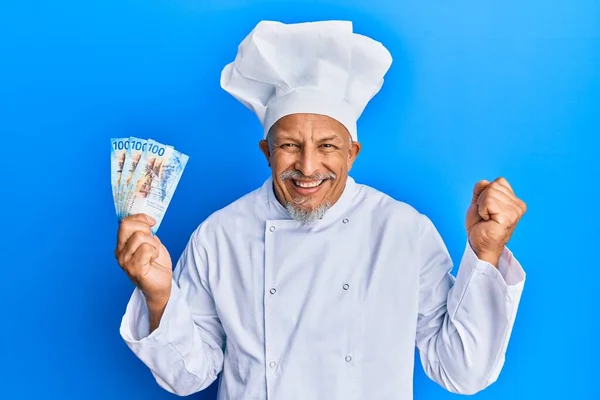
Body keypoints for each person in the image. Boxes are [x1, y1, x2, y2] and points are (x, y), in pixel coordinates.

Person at [115, 20, 527, 399]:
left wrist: (485, 255)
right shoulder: (220, 235)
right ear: (267, 152)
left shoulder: (402, 230)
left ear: (352, 153)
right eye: (290, 146)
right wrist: (160, 296)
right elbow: (190, 375)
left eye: (327, 146)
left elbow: (462, 370)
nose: (307, 167)